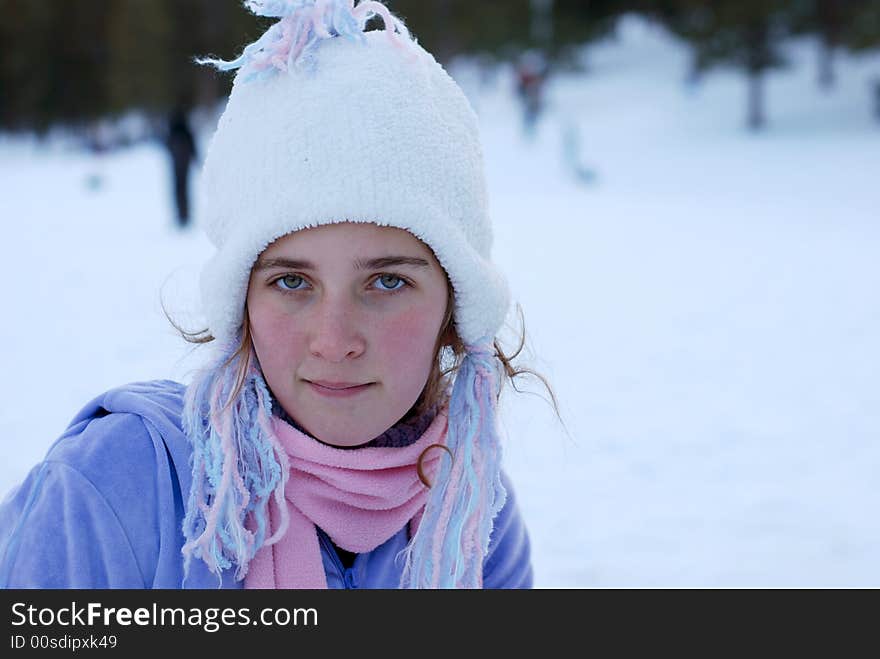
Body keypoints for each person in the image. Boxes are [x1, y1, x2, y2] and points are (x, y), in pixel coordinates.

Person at [0, 0, 556, 589]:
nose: (335, 341)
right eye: (291, 281)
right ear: (240, 301)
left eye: (388, 281)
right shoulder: (120, 486)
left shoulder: (469, 518)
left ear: (455, 305)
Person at [166, 108, 198, 227]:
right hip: (184, 162)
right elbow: (191, 143)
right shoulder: (184, 129)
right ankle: (184, 215)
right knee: (183, 188)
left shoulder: (174, 129)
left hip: (177, 163)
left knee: (179, 188)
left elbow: (167, 144)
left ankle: (182, 215)